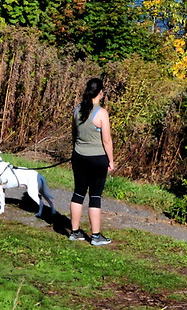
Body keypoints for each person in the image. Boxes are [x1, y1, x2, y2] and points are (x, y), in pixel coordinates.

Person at [67, 77, 115, 246]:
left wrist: (76, 150)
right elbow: (107, 141)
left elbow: (74, 133)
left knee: (78, 193)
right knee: (95, 196)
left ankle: (74, 231)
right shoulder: (101, 113)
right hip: (97, 159)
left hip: (79, 156)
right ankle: (95, 236)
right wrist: (111, 160)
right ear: (100, 92)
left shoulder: (77, 109)